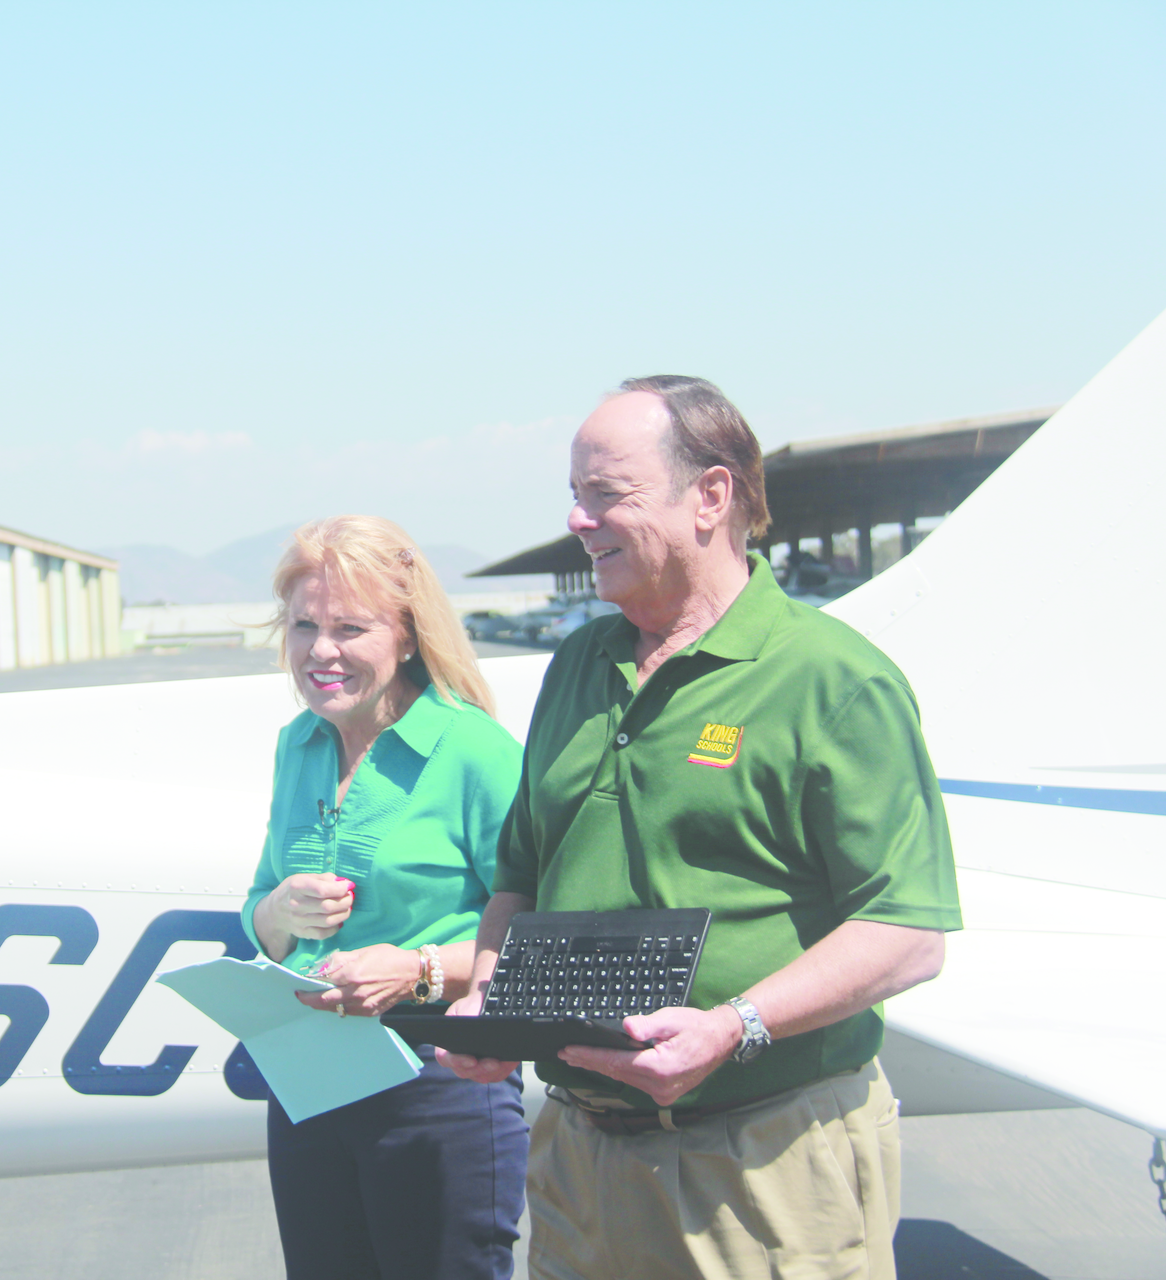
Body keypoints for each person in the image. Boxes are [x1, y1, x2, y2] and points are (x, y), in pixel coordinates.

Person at [442, 377, 962, 1279]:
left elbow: (908, 934)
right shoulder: (577, 664)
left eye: (607, 494)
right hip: (580, 1155)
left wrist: (734, 1025)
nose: (577, 518)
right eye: (574, 493)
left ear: (711, 497)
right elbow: (521, 874)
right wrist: (495, 1001)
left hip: (763, 1162)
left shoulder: (831, 680)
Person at [243, 515, 530, 1280]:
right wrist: (275, 916)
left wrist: (418, 970)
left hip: (440, 1081)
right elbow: (259, 908)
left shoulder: (475, 751)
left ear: (406, 635)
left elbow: (543, 937)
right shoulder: (297, 744)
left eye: (350, 628)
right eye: (304, 625)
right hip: (309, 1079)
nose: (321, 650)